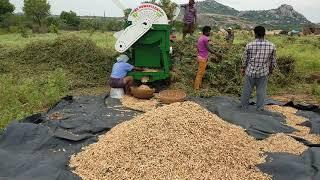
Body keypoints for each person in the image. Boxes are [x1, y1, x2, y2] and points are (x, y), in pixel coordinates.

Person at [240, 26, 277, 110]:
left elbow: (244, 59)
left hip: (250, 72)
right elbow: (273, 61)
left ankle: (244, 106)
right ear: (264, 34)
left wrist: (243, 69)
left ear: (255, 34)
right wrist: (271, 70)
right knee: (261, 91)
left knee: (247, 90)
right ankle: (260, 108)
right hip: (263, 72)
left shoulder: (249, 45)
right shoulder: (271, 46)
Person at [194, 26, 214, 90]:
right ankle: (196, 88)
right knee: (200, 74)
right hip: (202, 58)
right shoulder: (205, 38)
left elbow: (197, 48)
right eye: (209, 31)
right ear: (206, 32)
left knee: (201, 73)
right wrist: (216, 53)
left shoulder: (201, 37)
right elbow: (208, 48)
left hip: (200, 57)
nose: (209, 33)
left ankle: (199, 86)